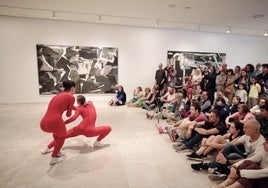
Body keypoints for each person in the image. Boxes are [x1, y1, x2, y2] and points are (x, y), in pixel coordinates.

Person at [40, 80, 76, 165]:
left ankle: (58, 150)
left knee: (57, 134)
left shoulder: (59, 95)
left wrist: (72, 107)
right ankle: (53, 158)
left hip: (44, 122)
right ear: (72, 88)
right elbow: (68, 114)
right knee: (62, 137)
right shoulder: (71, 97)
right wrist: (71, 109)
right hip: (55, 121)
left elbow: (61, 104)